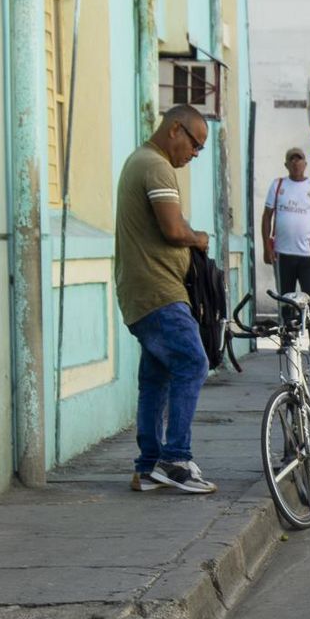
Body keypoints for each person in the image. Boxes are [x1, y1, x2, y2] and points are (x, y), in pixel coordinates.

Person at [113, 104, 216, 495]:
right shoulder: (156, 167)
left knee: (155, 378)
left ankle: (148, 465)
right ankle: (175, 460)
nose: (195, 153)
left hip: (140, 291)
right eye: (195, 144)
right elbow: (173, 229)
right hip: (159, 291)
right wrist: (199, 238)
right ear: (176, 130)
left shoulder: (139, 160)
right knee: (193, 362)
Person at [261, 147, 310, 327]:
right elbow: (266, 216)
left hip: (308, 254)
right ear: (286, 164)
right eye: (291, 159)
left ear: (305, 164)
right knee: (285, 296)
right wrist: (266, 248)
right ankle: (287, 336)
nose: (295, 163)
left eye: (299, 159)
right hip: (282, 253)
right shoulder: (278, 185)